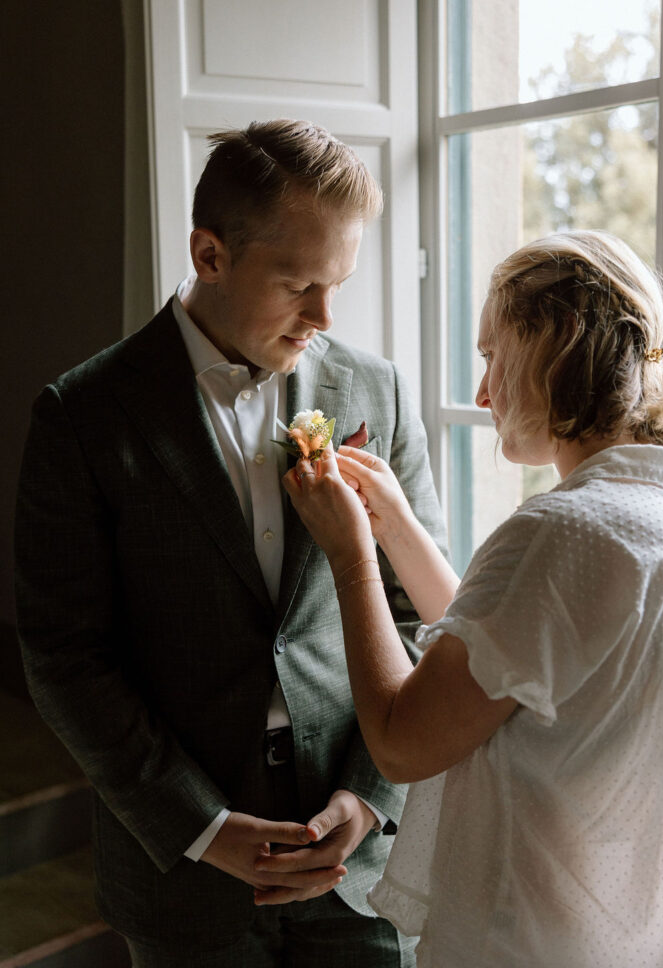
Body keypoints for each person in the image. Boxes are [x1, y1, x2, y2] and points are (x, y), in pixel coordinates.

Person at [14, 120, 448, 966]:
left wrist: (368, 796)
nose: (323, 318)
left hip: (356, 863)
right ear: (209, 255)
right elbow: (65, 655)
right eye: (297, 284)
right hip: (182, 873)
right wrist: (201, 827)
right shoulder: (82, 416)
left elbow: (415, 614)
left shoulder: (375, 389)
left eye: (339, 285)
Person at [279, 230, 663, 967]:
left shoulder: (560, 531)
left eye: (492, 355)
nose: (482, 394)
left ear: (553, 349)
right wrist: (397, 525)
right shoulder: (656, 508)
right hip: (626, 933)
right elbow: (505, 658)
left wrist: (351, 556)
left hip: (525, 932)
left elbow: (402, 742)